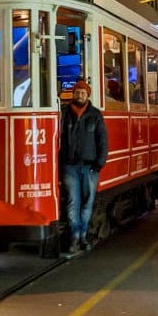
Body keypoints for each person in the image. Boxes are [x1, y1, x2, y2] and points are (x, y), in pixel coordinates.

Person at [60, 81, 108, 253]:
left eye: (82, 93)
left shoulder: (95, 115)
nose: (79, 96)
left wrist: (99, 164)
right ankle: (75, 237)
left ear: (87, 95)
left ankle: (82, 236)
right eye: (77, 92)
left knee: (87, 203)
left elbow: (102, 141)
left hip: (89, 167)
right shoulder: (64, 114)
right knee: (74, 202)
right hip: (70, 166)